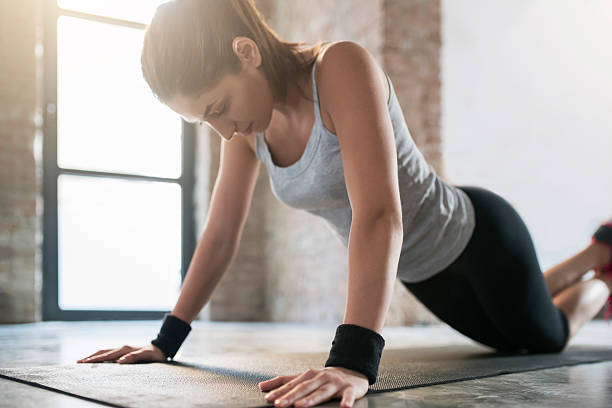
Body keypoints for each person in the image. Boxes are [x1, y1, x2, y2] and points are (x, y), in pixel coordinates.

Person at [77, 1, 612, 407]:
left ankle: (600, 275)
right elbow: (220, 236)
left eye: (218, 107)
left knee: (542, 338)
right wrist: (166, 340)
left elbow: (378, 214)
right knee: (506, 335)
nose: (221, 129)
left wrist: (354, 361)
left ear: (246, 53)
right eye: (204, 121)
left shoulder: (338, 68)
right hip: (422, 271)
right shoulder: (243, 131)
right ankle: (590, 264)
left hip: (477, 239)